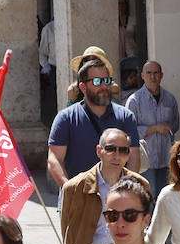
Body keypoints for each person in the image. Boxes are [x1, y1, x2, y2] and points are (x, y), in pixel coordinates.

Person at [59, 127, 149, 244]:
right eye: (111, 149)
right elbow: (67, 231)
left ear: (129, 154)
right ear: (99, 151)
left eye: (123, 150)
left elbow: (142, 226)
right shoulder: (74, 187)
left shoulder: (140, 185)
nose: (117, 155)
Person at [47, 57, 141, 186]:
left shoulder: (126, 117)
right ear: (83, 87)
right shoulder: (65, 118)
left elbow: (134, 157)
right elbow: (54, 160)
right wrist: (70, 191)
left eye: (106, 81)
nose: (104, 86)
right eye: (97, 81)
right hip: (78, 201)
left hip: (116, 200)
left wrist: (126, 190)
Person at [125, 60, 180, 197]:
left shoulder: (170, 99)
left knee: (166, 197)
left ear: (161, 75)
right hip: (145, 161)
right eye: (149, 73)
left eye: (156, 73)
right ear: (142, 75)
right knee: (147, 198)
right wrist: (154, 129)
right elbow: (128, 132)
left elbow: (176, 124)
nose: (152, 77)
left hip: (166, 158)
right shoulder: (134, 101)